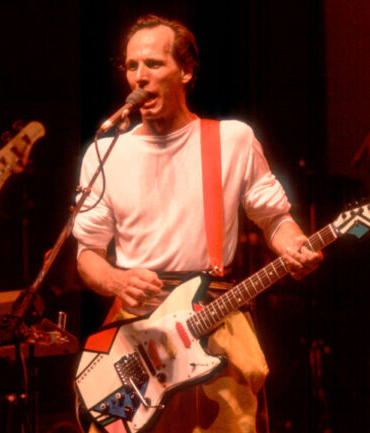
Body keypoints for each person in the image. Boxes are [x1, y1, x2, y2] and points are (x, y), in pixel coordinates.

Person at [73, 15, 322, 432]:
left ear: (186, 71)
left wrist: (294, 244)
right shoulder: (104, 152)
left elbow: (275, 218)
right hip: (135, 337)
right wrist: (116, 282)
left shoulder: (231, 139)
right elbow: (87, 255)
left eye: (153, 64)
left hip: (215, 321)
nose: (139, 77)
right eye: (132, 66)